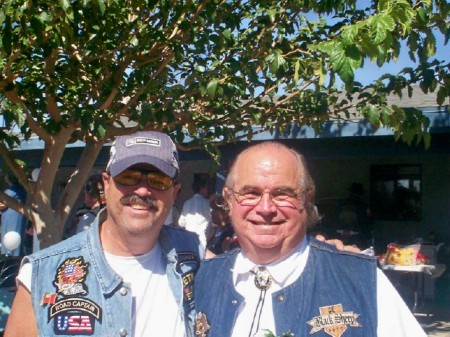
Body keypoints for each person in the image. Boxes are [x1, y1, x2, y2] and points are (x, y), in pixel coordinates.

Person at [194, 141, 426, 337]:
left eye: (282, 193)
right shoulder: (201, 280)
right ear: (229, 200)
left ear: (307, 200)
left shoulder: (361, 280)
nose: (265, 208)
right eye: (250, 193)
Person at [5, 131, 203, 337]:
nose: (143, 191)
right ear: (106, 184)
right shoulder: (40, 275)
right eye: (128, 177)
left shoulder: (194, 255)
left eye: (158, 180)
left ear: (175, 192)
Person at [178, 175, 211, 251]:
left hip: (189, 240)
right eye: (206, 188)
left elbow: (181, 223)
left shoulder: (187, 203)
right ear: (201, 188)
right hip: (203, 240)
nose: (207, 190)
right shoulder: (208, 203)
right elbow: (212, 222)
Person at [336, 182, 373, 248]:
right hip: (357, 235)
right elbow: (367, 222)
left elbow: (333, 218)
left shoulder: (340, 203)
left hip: (340, 234)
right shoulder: (363, 205)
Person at [0, 172, 28, 256]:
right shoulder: (21, 189)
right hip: (15, 218)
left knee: (11, 240)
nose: (5, 179)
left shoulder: (12, 190)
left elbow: (2, 204)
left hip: (12, 219)